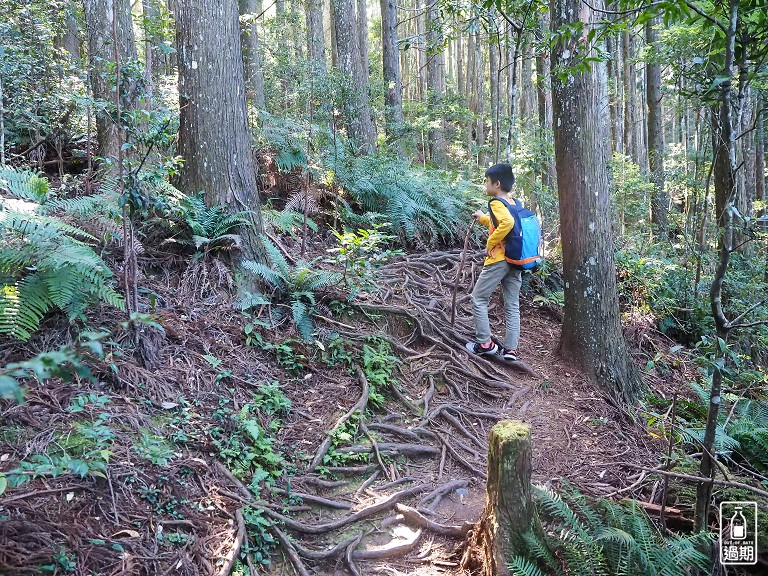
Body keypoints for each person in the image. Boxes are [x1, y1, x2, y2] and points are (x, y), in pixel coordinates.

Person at [465, 163, 522, 361]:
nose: (485, 186)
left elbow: (507, 223)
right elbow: (499, 221)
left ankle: (485, 343)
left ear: (496, 184)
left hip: (499, 259)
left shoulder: (497, 203)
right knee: (512, 305)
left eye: (487, 182)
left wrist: (490, 242)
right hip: (516, 260)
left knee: (478, 298)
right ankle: (510, 349)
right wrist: (482, 218)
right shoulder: (513, 203)